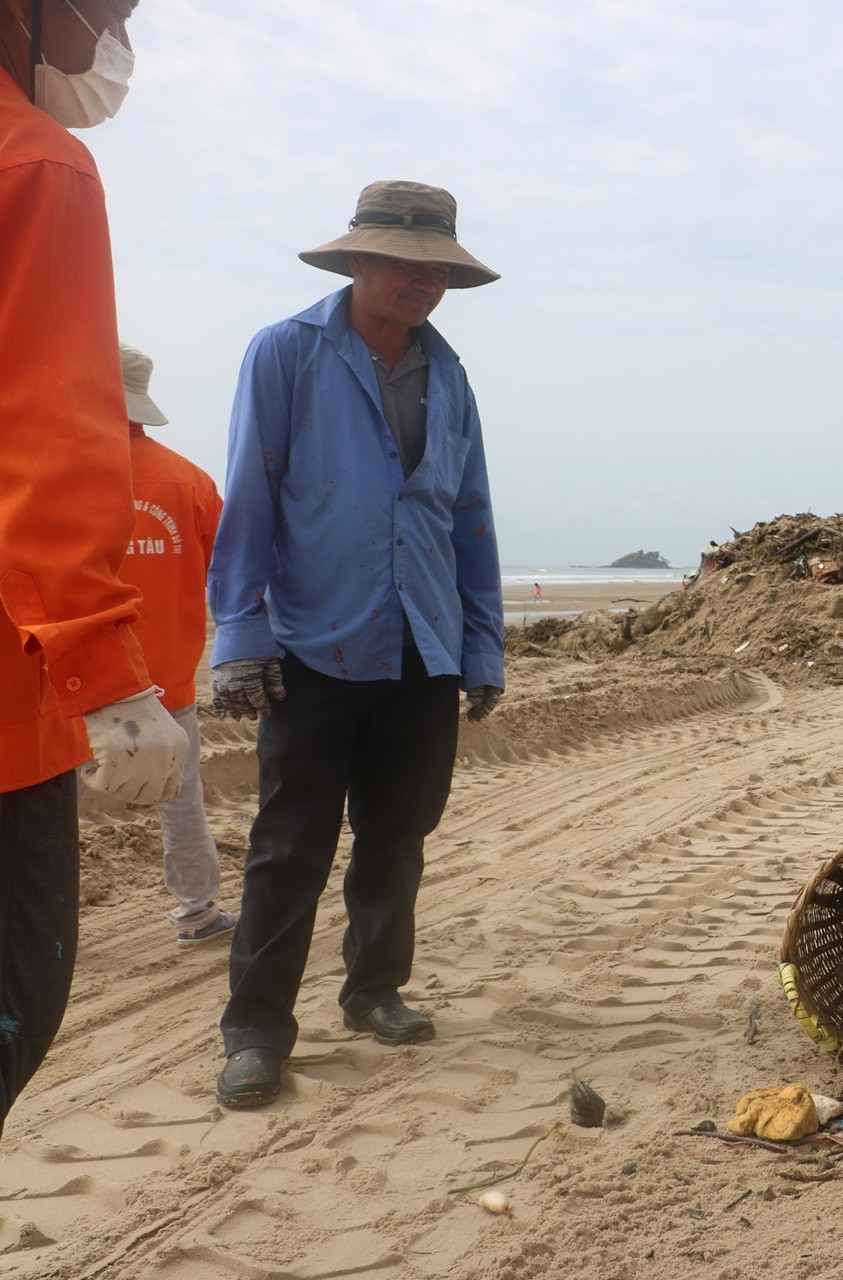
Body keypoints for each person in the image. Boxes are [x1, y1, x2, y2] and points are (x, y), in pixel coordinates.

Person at [206, 180, 506, 1108]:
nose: (422, 283)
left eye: (438, 270)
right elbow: (252, 494)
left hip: (425, 644)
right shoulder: (287, 354)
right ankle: (256, 1030)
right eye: (405, 264)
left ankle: (375, 990)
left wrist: (483, 643)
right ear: (357, 260)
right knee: (288, 842)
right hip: (313, 645)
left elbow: (471, 517)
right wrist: (240, 631)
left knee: (397, 835)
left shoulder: (447, 375)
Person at [0, 0, 189, 1135]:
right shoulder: (35, 165)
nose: (116, 34)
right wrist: (105, 677)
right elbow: (42, 435)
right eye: (111, 6)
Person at [117, 343, 237, 943]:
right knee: (181, 796)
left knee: (43, 807)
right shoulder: (189, 480)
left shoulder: (51, 477)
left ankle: (34, 933)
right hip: (167, 675)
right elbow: (230, 573)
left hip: (70, 677)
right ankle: (198, 913)